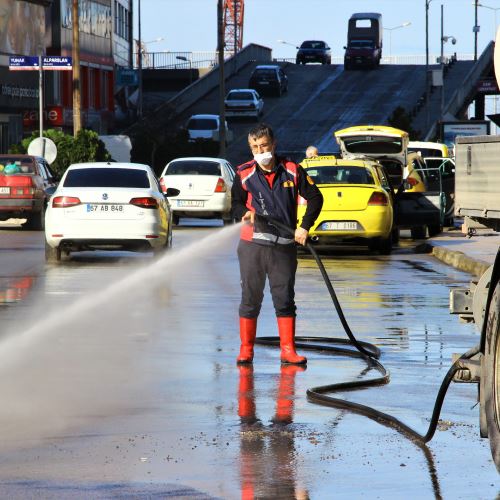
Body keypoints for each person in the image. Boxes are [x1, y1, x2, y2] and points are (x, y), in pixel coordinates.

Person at [231, 123, 323, 365]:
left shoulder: (292, 170)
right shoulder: (243, 173)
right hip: (253, 246)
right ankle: (246, 349)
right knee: (251, 298)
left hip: (283, 245)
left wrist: (304, 227)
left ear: (273, 144)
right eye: (255, 147)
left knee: (284, 299)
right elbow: (235, 204)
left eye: (264, 146)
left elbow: (316, 197)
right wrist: (244, 212)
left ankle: (288, 350)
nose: (260, 151)